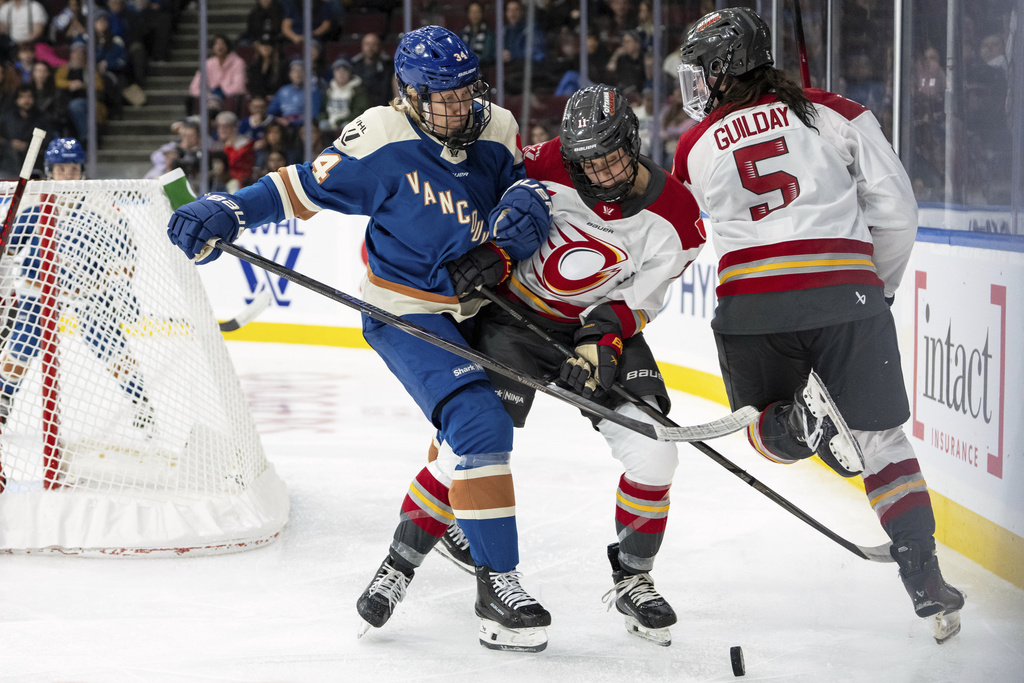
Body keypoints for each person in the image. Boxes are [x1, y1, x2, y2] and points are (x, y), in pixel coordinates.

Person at [165, 25, 553, 652]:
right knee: (483, 428)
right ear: (409, 95)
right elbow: (301, 186)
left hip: (482, 306)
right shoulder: (381, 135)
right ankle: (496, 587)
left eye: (465, 94)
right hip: (406, 310)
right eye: (441, 97)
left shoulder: (498, 126)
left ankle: (413, 555)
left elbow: (522, 189)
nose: (458, 108)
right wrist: (231, 211)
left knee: (463, 445)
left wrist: (518, 225)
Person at [671, 7, 965, 641]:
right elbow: (898, 213)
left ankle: (799, 420)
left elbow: (679, 238)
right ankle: (924, 575)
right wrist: (869, 288)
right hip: (845, 298)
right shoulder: (837, 113)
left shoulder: (694, 146)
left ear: (724, 69)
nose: (696, 87)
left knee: (761, 431)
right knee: (882, 443)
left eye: (702, 74)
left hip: (752, 309)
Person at [393, 84, 705, 646]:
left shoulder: (678, 215)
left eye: (612, 156)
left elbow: (645, 297)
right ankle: (406, 554)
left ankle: (634, 580)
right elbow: (481, 219)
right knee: (466, 444)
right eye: (588, 161)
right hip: (513, 318)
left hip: (597, 329)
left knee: (657, 450)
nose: (603, 172)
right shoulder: (536, 163)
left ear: (632, 141)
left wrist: (605, 336)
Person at [0, 138, 154, 434]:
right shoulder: (35, 198)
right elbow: (9, 248)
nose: (67, 175)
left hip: (87, 291)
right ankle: (4, 400)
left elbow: (125, 250)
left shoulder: (100, 204)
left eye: (72, 169)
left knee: (107, 342)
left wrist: (120, 285)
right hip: (39, 290)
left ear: (82, 170)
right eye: (60, 169)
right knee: (23, 342)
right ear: (50, 171)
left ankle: (141, 402)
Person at [320, 57, 369, 135]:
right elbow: (322, 109)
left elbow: (360, 111)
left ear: (350, 73)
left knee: (346, 126)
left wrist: (341, 121)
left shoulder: (357, 89)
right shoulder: (329, 89)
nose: (341, 74)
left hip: (348, 122)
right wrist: (323, 119)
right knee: (322, 125)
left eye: (345, 70)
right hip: (330, 123)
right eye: (338, 70)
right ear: (334, 73)